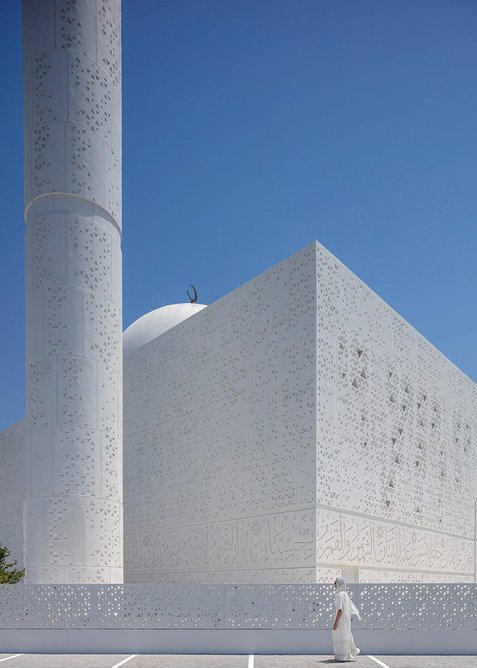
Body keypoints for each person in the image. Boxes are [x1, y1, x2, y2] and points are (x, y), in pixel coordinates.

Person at [332, 576, 362, 662]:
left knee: (338, 636)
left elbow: (340, 610)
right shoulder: (345, 594)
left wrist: (336, 623)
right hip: (346, 620)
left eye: (336, 582)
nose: (334, 584)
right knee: (345, 635)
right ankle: (346, 654)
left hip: (341, 620)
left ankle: (341, 656)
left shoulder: (339, 595)